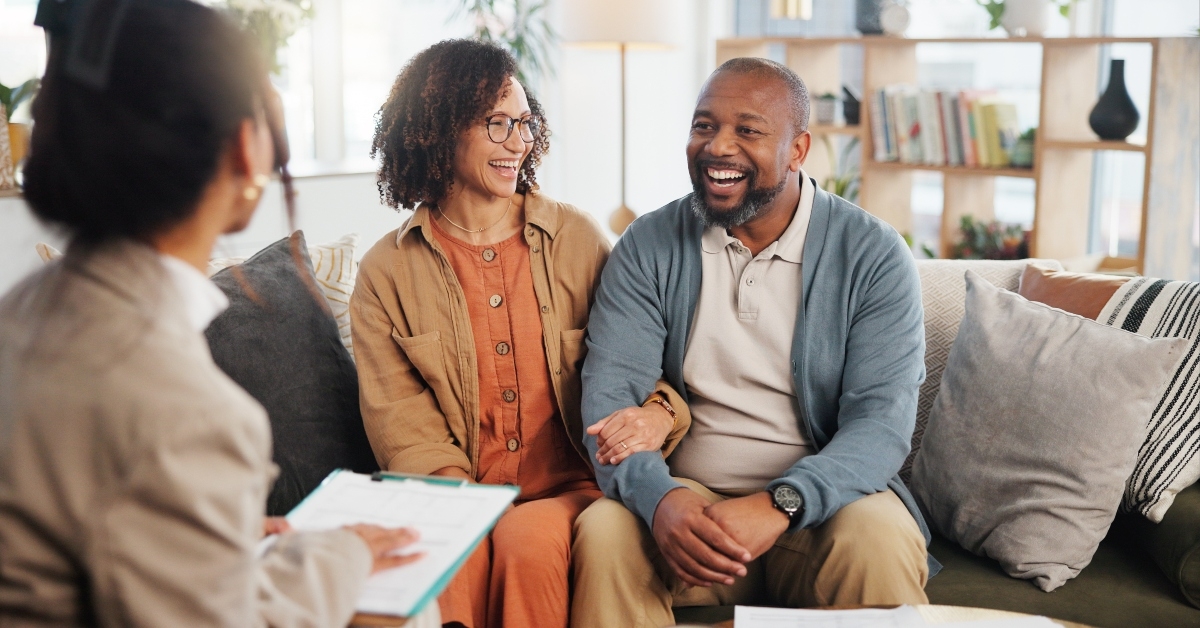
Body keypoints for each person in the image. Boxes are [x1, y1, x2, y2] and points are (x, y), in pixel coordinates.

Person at [0, 1, 424, 625]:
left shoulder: (24, 310)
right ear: (243, 148)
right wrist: (343, 554)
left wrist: (214, 532)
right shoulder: (186, 412)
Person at [571, 57, 938, 627]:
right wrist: (661, 498)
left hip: (824, 510)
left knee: (877, 537)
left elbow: (880, 425)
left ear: (797, 150)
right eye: (704, 125)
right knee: (605, 531)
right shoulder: (649, 244)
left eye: (748, 130)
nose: (718, 146)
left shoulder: (872, 254)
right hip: (688, 499)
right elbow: (610, 397)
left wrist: (780, 503)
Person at [352, 39, 690, 628]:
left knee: (527, 542)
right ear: (440, 131)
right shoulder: (386, 271)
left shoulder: (577, 239)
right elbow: (403, 427)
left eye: (525, 122)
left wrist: (660, 411)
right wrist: (466, 510)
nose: (520, 141)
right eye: (497, 123)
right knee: (446, 557)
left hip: (573, 487)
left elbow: (642, 362)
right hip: (453, 492)